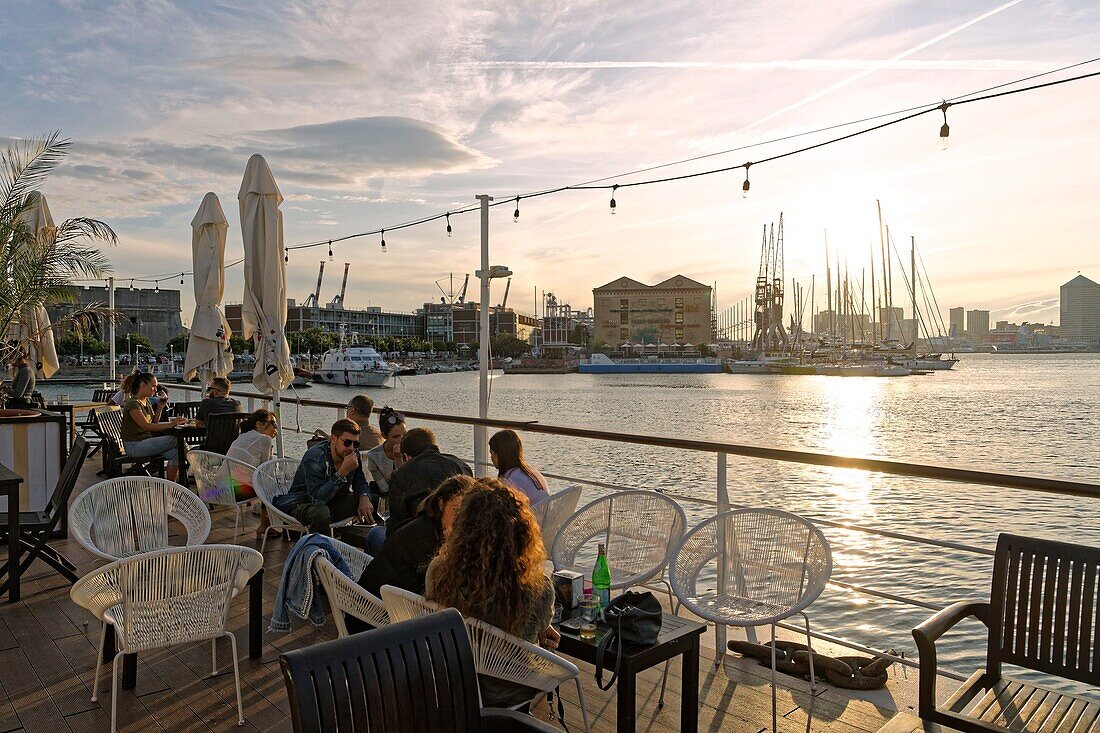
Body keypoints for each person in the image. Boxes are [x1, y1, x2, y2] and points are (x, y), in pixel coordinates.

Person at [425, 479, 558, 709]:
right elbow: (537, 628)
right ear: (522, 533)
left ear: (463, 527)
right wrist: (543, 625)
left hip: (452, 682)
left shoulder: (438, 572)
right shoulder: (538, 589)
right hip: (509, 693)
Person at [349, 474, 477, 633]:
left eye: (465, 512)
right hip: (374, 619)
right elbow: (435, 594)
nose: (461, 518)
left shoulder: (430, 524)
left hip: (378, 604)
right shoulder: (425, 538)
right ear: (442, 503)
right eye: (456, 510)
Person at [275, 418, 374, 535]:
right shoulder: (315, 457)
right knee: (321, 514)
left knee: (375, 502)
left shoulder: (352, 453)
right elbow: (317, 499)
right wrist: (343, 472)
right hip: (303, 503)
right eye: (347, 443)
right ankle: (320, 549)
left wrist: (364, 497)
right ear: (333, 439)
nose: (352, 448)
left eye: (356, 444)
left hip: (333, 502)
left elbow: (360, 482)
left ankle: (367, 545)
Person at [120, 372, 186, 482]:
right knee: (175, 440)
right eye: (153, 386)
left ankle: (170, 486)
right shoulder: (133, 404)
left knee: (176, 454)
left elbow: (154, 422)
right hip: (134, 446)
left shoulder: (146, 401)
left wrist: (160, 407)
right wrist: (171, 424)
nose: (155, 389)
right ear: (142, 385)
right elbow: (146, 426)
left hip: (145, 442)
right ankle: (195, 462)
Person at [226, 408, 278, 537]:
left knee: (268, 485)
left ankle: (267, 524)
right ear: (259, 424)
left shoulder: (243, 436)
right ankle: (265, 525)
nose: (275, 427)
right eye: (272, 423)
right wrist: (270, 448)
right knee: (272, 487)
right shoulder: (264, 440)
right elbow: (266, 470)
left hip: (216, 491)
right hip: (235, 492)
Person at [489, 429, 550, 505]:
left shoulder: (510, 482)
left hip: (533, 515)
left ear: (501, 454)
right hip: (546, 514)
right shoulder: (530, 471)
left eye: (492, 452)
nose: (491, 457)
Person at [364, 406, 406, 496]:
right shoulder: (373, 456)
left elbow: (409, 485)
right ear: (384, 435)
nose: (402, 440)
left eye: (404, 434)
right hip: (388, 496)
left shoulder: (411, 451)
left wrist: (400, 460)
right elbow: (384, 489)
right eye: (396, 436)